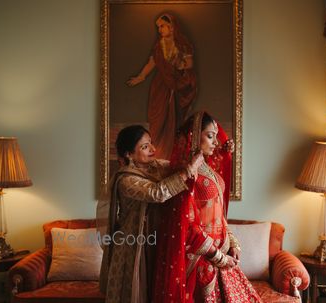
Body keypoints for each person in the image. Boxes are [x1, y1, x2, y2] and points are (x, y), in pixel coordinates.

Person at [153, 112, 262, 302]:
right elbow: (189, 226)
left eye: (215, 136)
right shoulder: (185, 174)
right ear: (193, 136)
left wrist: (232, 242)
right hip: (200, 260)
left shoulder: (208, 169)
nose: (215, 142)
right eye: (210, 136)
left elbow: (217, 214)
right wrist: (218, 257)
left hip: (221, 257)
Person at [97, 125, 204, 303]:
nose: (153, 149)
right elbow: (157, 193)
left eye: (151, 144)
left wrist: (221, 152)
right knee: (136, 293)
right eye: (145, 147)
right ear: (128, 154)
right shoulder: (126, 179)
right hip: (134, 247)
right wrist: (187, 170)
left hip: (157, 240)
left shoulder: (158, 167)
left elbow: (184, 165)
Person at [126, 13, 197, 159]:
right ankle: (156, 153)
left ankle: (170, 155)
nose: (160, 30)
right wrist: (141, 76)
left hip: (175, 85)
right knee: (157, 120)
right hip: (160, 86)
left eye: (162, 26)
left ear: (171, 27)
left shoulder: (182, 44)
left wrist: (180, 65)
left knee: (173, 121)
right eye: (158, 27)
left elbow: (189, 65)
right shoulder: (159, 45)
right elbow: (152, 63)